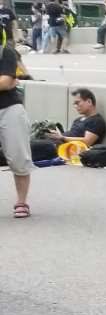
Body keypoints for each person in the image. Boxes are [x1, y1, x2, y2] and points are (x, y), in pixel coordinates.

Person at [28, 88, 106, 163]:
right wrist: (56, 134)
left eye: (77, 103)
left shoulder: (96, 121)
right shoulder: (78, 120)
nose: (75, 106)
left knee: (32, 146)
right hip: (56, 143)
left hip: (63, 149)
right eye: (74, 104)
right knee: (28, 142)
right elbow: (72, 135)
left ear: (89, 102)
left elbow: (87, 142)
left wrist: (62, 137)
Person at [0, 46, 30, 220]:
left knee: (18, 156)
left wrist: (8, 82)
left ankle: (21, 202)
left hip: (9, 108)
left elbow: (5, 82)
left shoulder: (5, 52)